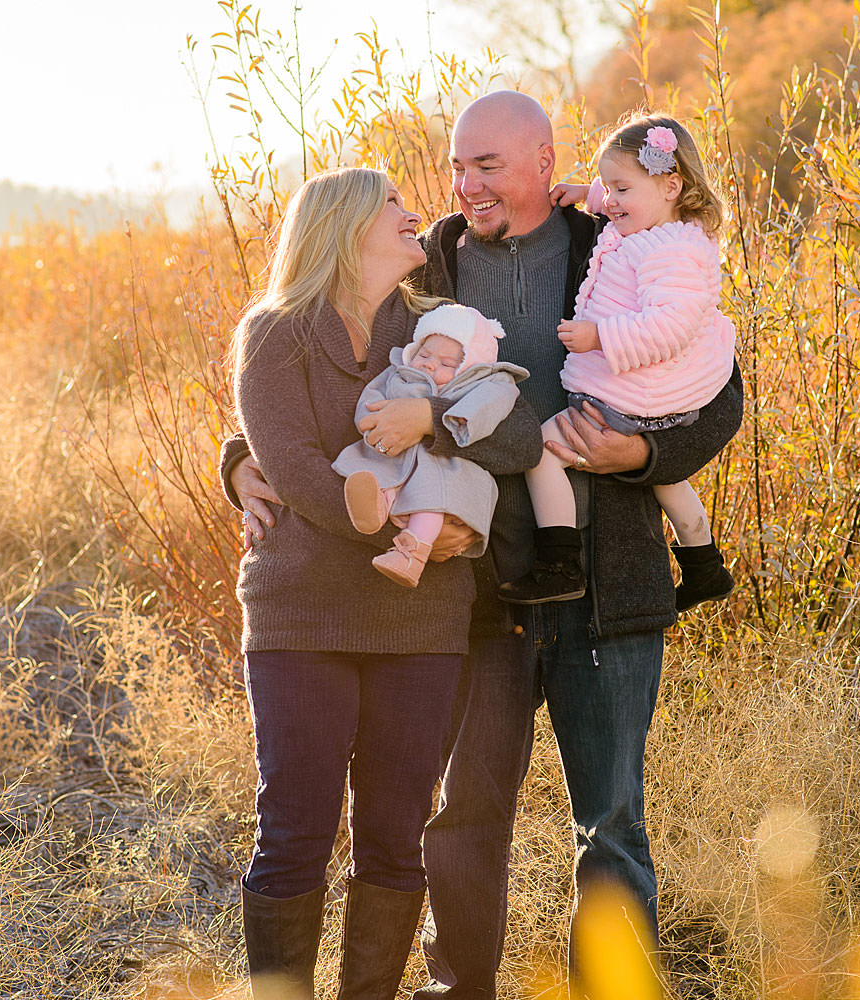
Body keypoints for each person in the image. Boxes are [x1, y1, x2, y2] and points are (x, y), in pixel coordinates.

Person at [223, 92, 743, 998]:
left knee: (611, 820)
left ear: (546, 161)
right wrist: (241, 459)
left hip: (603, 582)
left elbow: (718, 391)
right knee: (461, 819)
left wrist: (645, 451)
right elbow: (321, 365)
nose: (464, 185)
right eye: (457, 167)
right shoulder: (434, 271)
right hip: (477, 592)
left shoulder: (618, 240)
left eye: (487, 166)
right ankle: (459, 987)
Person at [229, 165, 542, 1000]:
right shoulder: (277, 330)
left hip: (420, 616)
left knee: (395, 837)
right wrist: (380, 518)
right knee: (295, 830)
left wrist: (443, 477)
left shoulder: (443, 328)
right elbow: (287, 461)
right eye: (394, 206)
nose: (415, 215)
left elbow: (512, 433)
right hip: (302, 613)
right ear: (347, 224)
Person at [498, 114, 737, 610]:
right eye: (607, 187)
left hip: (631, 395)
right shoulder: (661, 228)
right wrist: (587, 191)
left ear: (671, 185)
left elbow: (668, 327)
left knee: (542, 453)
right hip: (652, 400)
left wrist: (598, 336)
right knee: (667, 477)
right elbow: (620, 209)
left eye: (620, 188)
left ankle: (559, 563)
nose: (610, 202)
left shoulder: (669, 254)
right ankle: (704, 566)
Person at [333, 302, 529, 588]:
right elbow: (371, 396)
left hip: (447, 467)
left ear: (470, 367)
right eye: (424, 354)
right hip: (392, 455)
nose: (429, 364)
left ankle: (411, 555)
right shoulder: (399, 372)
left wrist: (449, 420)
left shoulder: (487, 383)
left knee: (434, 496)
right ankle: (373, 510)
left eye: (447, 364)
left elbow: (491, 403)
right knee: (380, 478)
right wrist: (372, 423)